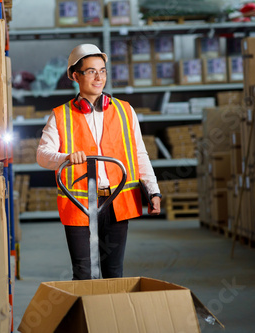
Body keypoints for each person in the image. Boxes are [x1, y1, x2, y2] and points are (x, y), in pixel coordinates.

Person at [36, 44, 162, 280]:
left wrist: (153, 191)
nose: (99, 77)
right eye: (91, 71)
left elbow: (139, 154)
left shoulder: (125, 111)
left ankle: (110, 316)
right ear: (76, 76)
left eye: (102, 71)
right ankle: (85, 316)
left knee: (114, 272)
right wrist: (65, 158)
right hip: (79, 202)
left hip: (117, 200)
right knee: (83, 273)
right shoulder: (61, 115)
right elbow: (42, 155)